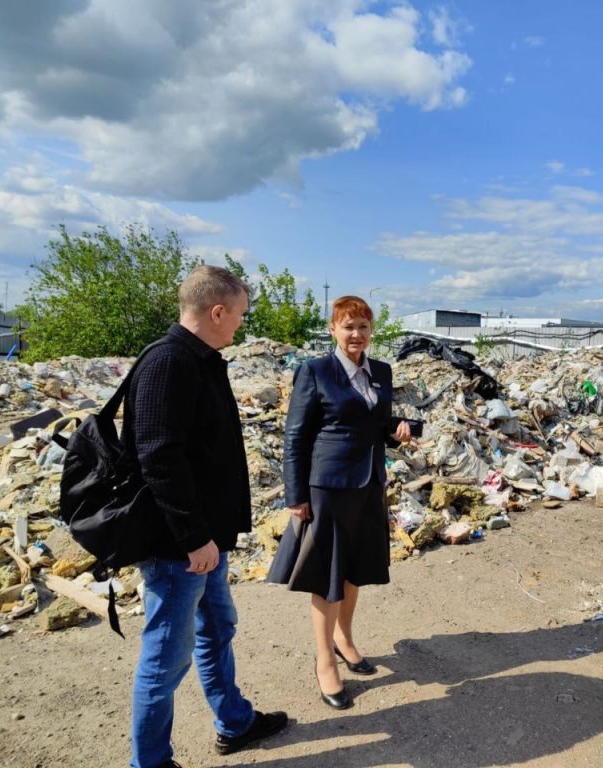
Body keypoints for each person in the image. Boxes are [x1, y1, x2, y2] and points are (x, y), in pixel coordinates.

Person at [124, 266, 288, 768]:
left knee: (217, 627)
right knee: (165, 659)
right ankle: (149, 763)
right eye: (239, 315)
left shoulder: (201, 359)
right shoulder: (169, 362)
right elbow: (158, 457)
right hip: (181, 547)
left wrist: (211, 538)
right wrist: (195, 539)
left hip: (206, 541)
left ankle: (234, 722)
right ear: (217, 311)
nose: (241, 325)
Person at [269, 295, 412, 710]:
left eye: (364, 327)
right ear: (333, 330)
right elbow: (295, 436)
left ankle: (344, 638)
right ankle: (324, 662)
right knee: (328, 575)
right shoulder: (315, 371)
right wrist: (295, 496)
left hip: (369, 485)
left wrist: (396, 431)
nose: (357, 334)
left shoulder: (380, 371)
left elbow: (377, 424)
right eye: (348, 327)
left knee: (354, 570)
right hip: (327, 489)